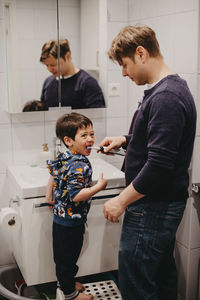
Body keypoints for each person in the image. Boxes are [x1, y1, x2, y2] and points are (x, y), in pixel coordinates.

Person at [99, 25, 197, 300]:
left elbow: (158, 165)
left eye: (124, 64)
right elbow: (160, 142)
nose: (123, 73)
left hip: (152, 207)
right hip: (158, 206)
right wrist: (126, 140)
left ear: (141, 53)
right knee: (160, 276)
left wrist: (120, 201)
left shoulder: (166, 96)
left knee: (137, 286)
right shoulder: (169, 89)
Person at [45, 112, 107, 300]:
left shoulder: (65, 156)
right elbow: (76, 195)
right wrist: (98, 187)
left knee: (64, 258)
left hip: (61, 220)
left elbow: (53, 173)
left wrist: (49, 195)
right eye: (84, 135)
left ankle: (66, 284)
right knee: (68, 259)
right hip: (71, 222)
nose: (90, 139)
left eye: (92, 134)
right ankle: (71, 295)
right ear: (68, 140)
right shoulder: (80, 164)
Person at [40, 39, 105, 109]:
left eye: (53, 65)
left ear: (68, 56)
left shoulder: (87, 83)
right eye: (47, 65)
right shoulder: (48, 82)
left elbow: (98, 116)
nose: (49, 69)